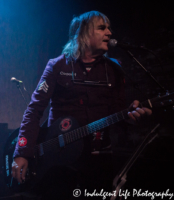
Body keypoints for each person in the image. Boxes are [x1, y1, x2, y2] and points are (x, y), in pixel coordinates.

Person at [12, 11, 152, 199]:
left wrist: (131, 117)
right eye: (102, 28)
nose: (109, 33)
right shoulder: (57, 66)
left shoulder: (114, 68)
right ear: (83, 33)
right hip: (58, 162)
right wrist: (23, 152)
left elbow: (118, 113)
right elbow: (34, 110)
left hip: (99, 160)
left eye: (109, 28)